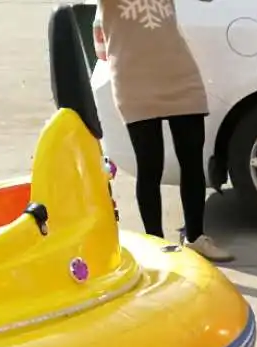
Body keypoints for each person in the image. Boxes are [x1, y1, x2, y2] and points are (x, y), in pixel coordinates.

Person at [97, 0, 232, 263]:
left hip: (180, 74)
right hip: (133, 78)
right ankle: (156, 246)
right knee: (150, 166)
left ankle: (195, 238)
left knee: (192, 160)